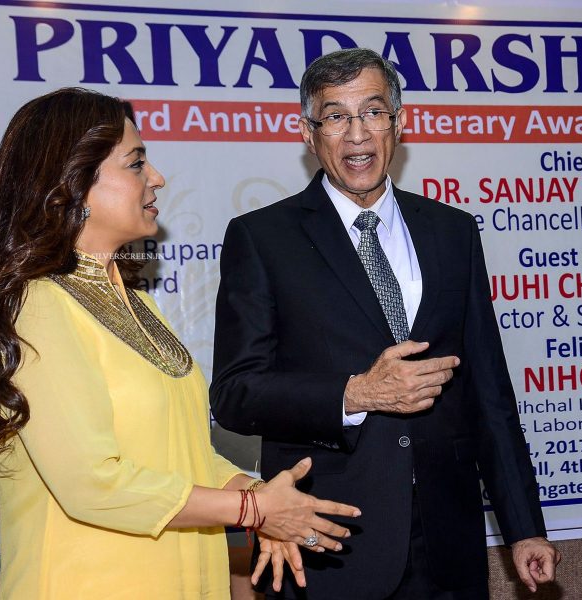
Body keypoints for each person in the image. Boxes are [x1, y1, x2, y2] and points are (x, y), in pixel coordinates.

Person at [0, 87, 360, 599]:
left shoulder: (133, 301)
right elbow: (92, 483)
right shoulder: (37, 304)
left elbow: (182, 456)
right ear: (72, 183)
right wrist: (251, 511)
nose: (157, 178)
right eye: (136, 163)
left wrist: (259, 497)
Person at [210, 48, 559, 599]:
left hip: (448, 543)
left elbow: (488, 390)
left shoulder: (453, 232)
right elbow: (235, 393)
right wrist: (356, 393)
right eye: (336, 116)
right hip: (328, 543)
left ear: (400, 123)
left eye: (373, 112)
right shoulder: (262, 239)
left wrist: (524, 526)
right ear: (308, 133)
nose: (357, 135)